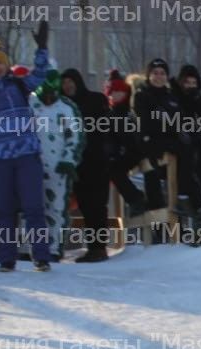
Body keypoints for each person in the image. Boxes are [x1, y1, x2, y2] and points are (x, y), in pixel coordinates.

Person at [0, 26, 53, 272]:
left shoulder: (19, 85)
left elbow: (41, 75)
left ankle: (42, 256)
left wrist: (42, 49)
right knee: (3, 210)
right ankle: (6, 258)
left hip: (26, 155)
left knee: (33, 207)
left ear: (6, 64)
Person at [29, 70, 82, 261]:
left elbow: (75, 135)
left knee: (56, 206)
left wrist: (69, 159)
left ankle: (53, 247)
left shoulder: (66, 107)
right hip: (31, 163)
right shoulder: (30, 103)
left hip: (57, 166)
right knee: (32, 207)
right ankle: (30, 247)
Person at [61, 68, 111, 262]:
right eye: (64, 83)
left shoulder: (96, 100)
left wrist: (108, 151)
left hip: (97, 160)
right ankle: (92, 247)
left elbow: (109, 126)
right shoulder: (63, 106)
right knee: (84, 205)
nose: (67, 85)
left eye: (70, 81)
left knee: (96, 206)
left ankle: (98, 248)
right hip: (76, 163)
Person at [132, 58, 187, 212]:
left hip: (171, 142)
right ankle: (156, 211)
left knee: (187, 153)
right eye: (155, 73)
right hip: (149, 142)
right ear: (149, 75)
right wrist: (165, 121)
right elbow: (146, 122)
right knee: (152, 172)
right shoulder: (142, 95)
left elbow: (180, 121)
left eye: (162, 73)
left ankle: (182, 199)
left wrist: (165, 121)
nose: (159, 76)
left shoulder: (172, 98)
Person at [103, 70, 148, 218]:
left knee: (113, 170)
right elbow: (109, 139)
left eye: (119, 92)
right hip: (120, 154)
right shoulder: (109, 115)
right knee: (111, 170)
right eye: (113, 92)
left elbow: (130, 136)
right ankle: (135, 200)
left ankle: (136, 199)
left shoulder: (129, 112)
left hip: (134, 150)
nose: (116, 96)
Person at [172, 64, 201, 213]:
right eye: (187, 82)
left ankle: (198, 214)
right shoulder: (173, 97)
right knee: (182, 186)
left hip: (195, 147)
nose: (190, 86)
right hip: (177, 147)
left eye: (194, 83)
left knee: (195, 183)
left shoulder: (198, 99)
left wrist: (198, 104)